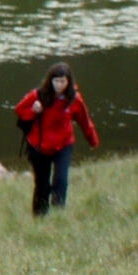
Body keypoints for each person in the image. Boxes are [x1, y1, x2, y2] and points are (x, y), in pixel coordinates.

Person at [14, 61, 99, 217]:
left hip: (64, 145)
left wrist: (92, 140)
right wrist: (34, 110)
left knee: (61, 181)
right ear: (50, 81)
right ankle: (40, 218)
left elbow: (84, 121)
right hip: (39, 147)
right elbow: (19, 110)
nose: (59, 85)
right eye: (56, 81)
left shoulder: (74, 99)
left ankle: (59, 216)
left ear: (68, 82)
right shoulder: (38, 95)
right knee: (42, 186)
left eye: (63, 81)